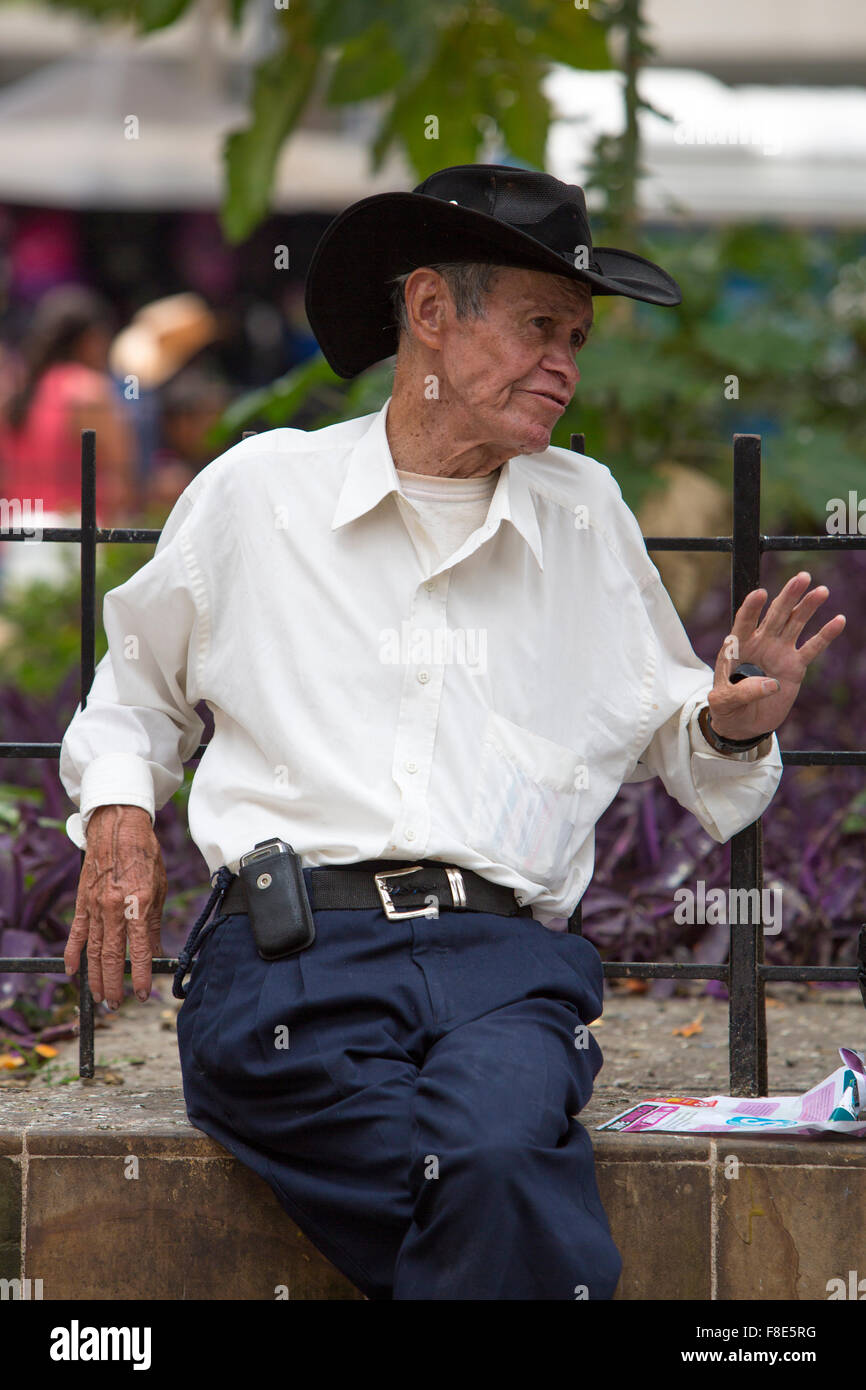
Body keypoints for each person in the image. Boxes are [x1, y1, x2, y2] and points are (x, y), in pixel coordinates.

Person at [57, 165, 845, 1301]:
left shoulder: (582, 513)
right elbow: (132, 693)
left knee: (488, 1152)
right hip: (290, 963)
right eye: (538, 327)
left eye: (576, 336)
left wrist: (733, 721)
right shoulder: (257, 493)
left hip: (504, 970)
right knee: (496, 1176)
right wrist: (122, 807)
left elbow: (684, 738)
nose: (566, 365)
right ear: (428, 311)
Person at [0, 285, 136, 593]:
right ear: (88, 339)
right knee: (82, 638)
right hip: (73, 533)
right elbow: (121, 475)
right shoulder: (88, 391)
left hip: (20, 530)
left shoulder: (19, 395)